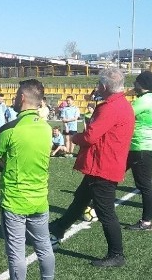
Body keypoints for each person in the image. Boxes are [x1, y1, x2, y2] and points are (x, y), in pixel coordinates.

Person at [48, 67, 135, 267]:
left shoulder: (110, 107)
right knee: (80, 200)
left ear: (104, 86)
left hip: (103, 166)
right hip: (104, 163)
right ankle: (58, 228)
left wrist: (74, 137)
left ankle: (117, 254)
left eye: (99, 84)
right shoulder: (121, 104)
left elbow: (90, 136)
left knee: (105, 212)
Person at [0, 79, 56, 280]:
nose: (15, 99)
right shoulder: (46, 128)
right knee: (44, 246)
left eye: (17, 95)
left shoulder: (10, 129)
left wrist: (5, 161)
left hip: (15, 200)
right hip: (40, 198)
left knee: (16, 252)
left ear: (23, 99)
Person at [124, 70, 152, 232]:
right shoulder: (147, 99)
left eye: (136, 82)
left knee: (144, 186)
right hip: (135, 147)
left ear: (142, 84)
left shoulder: (144, 100)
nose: (133, 84)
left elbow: (123, 114)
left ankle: (146, 222)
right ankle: (98, 205)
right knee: (110, 175)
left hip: (141, 148)